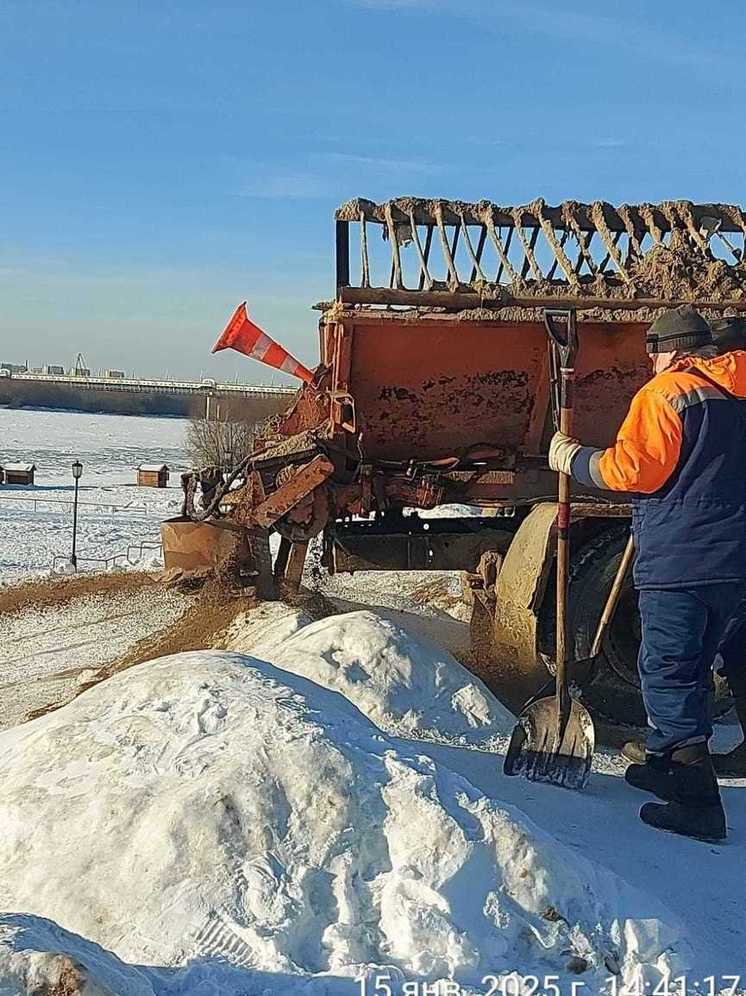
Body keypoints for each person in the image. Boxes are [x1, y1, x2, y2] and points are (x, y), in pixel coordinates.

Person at [549, 304, 746, 841]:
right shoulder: (738, 387)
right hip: (734, 557)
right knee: (718, 659)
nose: (651, 364)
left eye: (652, 353)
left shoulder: (666, 394)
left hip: (685, 559)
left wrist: (573, 458)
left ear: (670, 351)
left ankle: (697, 804)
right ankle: (664, 763)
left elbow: (634, 470)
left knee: (669, 670)